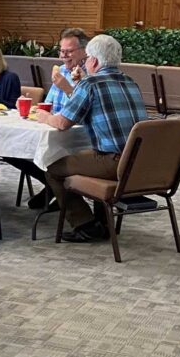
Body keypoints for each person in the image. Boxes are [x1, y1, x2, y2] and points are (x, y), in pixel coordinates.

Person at [35, 34, 147, 242]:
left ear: (94, 61)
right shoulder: (130, 81)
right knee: (85, 154)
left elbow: (62, 123)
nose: (85, 63)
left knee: (52, 167)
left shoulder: (91, 84)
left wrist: (44, 117)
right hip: (140, 162)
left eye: (86, 59)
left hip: (114, 162)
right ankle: (101, 221)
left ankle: (85, 224)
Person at [45, 28, 90, 111]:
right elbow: (48, 104)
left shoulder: (91, 74)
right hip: (53, 118)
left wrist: (67, 88)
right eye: (62, 51)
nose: (64, 55)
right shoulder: (61, 70)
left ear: (85, 51)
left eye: (69, 51)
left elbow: (86, 110)